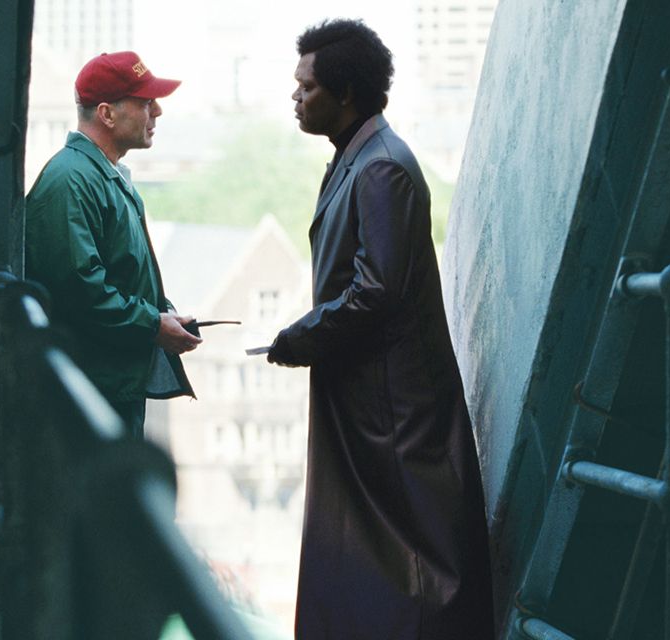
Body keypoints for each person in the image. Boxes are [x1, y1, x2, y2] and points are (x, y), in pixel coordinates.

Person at [266, 19, 495, 639]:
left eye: (306, 87)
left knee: (413, 553)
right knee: (373, 552)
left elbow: (378, 289)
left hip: (395, 405)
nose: (295, 96)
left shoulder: (380, 168)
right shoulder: (358, 157)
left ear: (346, 94)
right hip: (370, 392)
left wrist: (301, 337)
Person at [25, 51, 201, 438]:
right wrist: (153, 324)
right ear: (107, 113)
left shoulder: (100, 176)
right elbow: (79, 288)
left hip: (109, 381)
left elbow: (115, 275)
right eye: (145, 102)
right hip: (93, 388)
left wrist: (162, 316)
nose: (157, 112)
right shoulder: (71, 180)